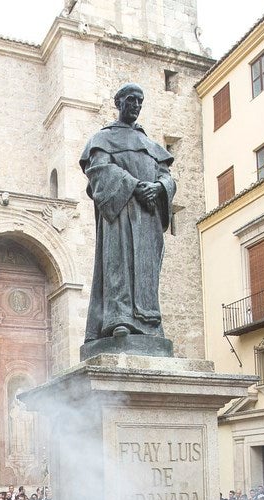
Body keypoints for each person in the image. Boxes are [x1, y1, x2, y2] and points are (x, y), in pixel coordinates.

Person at [79, 83, 176, 345]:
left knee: (146, 271)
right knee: (118, 265)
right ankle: (118, 319)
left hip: (148, 216)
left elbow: (167, 177)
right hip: (120, 212)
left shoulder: (151, 144)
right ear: (118, 103)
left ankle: (149, 325)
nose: (135, 106)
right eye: (131, 100)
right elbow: (98, 171)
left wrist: (159, 187)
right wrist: (133, 185)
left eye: (140, 102)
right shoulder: (102, 139)